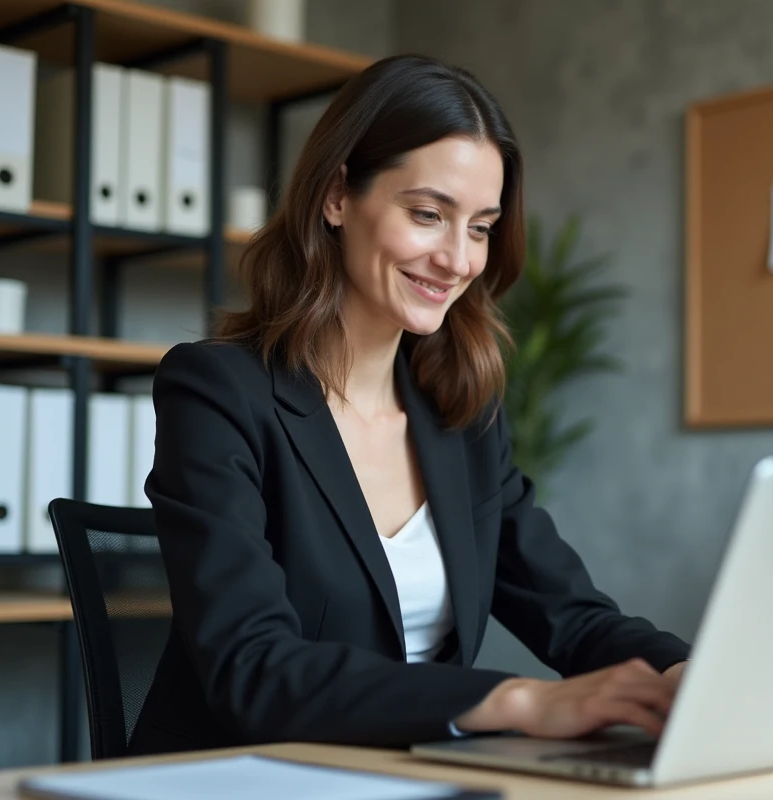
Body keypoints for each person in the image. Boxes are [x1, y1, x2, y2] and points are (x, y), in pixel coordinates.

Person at [127, 53, 694, 756]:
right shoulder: (217, 392)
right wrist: (515, 697)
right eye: (429, 214)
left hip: (411, 777)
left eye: (481, 227)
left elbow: (572, 615)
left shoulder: (462, 415)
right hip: (242, 777)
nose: (458, 259)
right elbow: (253, 666)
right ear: (337, 196)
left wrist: (687, 675)